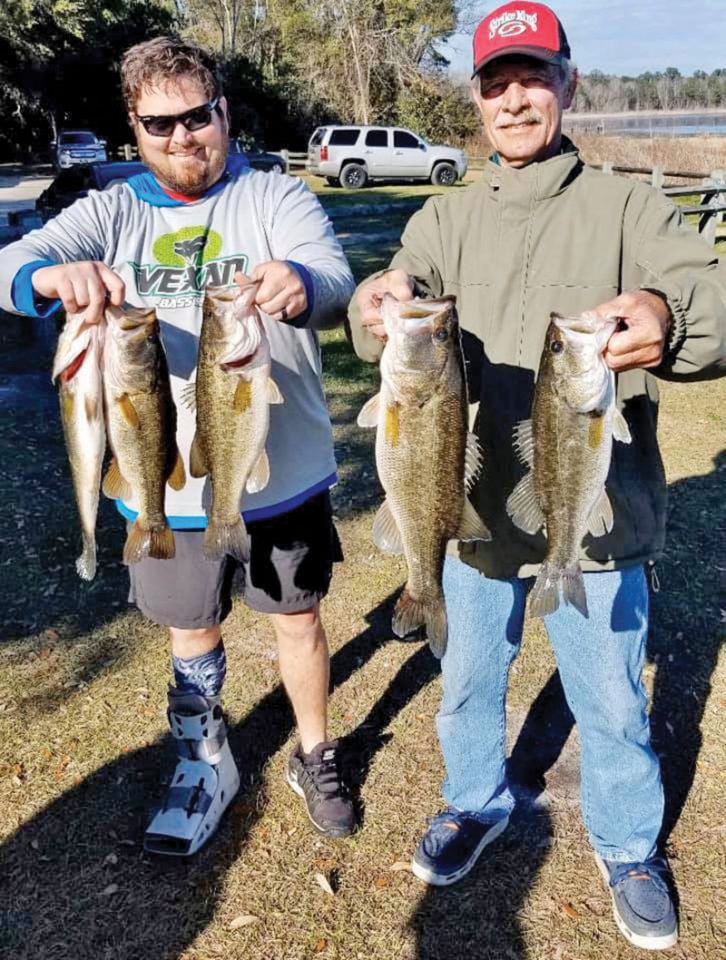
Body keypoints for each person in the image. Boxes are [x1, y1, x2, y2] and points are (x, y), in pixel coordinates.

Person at [348, 1, 726, 951]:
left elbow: (712, 302)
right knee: (470, 679)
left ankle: (630, 845)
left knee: (610, 695)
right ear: (476, 100)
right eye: (495, 83)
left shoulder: (628, 205)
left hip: (593, 515)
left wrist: (663, 314)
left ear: (566, 82)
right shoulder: (445, 216)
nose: (515, 100)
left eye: (533, 78)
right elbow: (385, 312)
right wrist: (373, 300)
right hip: (467, 512)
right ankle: (475, 801)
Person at [0, 37, 357, 855]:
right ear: (135, 126)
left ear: (222, 112)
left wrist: (305, 287)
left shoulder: (275, 196)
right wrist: (48, 280)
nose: (182, 137)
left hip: (282, 471)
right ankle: (204, 761)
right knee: (190, 629)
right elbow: (13, 263)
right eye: (160, 124)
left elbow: (332, 277)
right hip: (165, 483)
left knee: (296, 620)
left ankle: (314, 751)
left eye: (198, 116)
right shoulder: (111, 210)